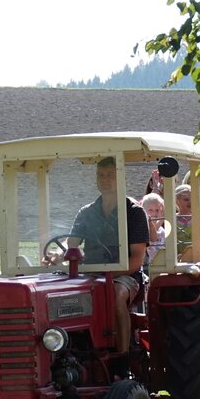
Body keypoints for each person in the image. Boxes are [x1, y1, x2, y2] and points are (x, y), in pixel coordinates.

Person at [69, 157, 149, 378]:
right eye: (101, 175)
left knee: (113, 293)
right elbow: (71, 245)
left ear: (120, 178)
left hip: (124, 275)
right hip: (90, 274)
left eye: (110, 175)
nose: (105, 180)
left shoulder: (134, 212)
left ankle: (121, 363)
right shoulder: (86, 212)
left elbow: (136, 259)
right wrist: (55, 255)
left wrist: (110, 273)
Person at [141, 192, 165, 264]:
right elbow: (152, 234)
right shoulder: (144, 224)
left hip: (161, 257)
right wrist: (162, 219)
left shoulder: (161, 228)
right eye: (150, 210)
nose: (154, 213)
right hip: (149, 260)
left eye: (157, 210)